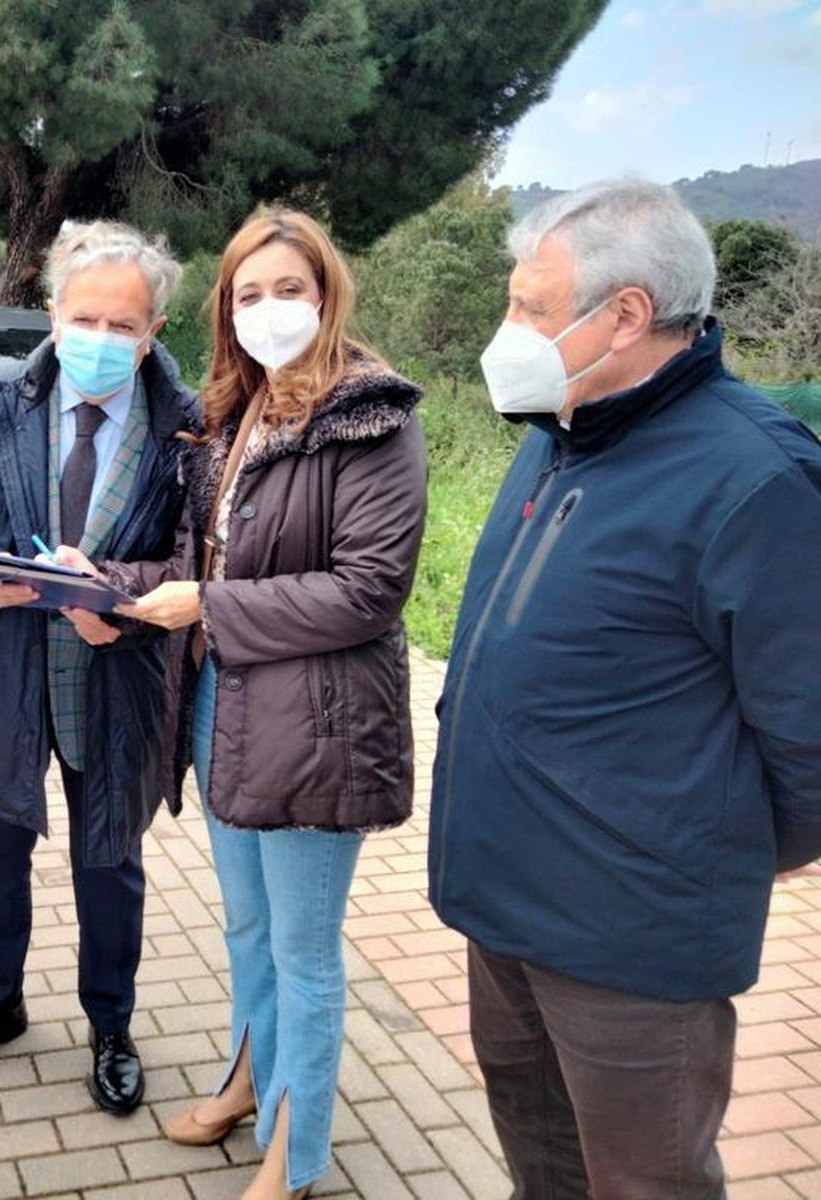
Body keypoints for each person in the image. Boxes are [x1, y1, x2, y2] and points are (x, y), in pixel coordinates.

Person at [428, 179, 821, 1199]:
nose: (506, 330)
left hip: (632, 946)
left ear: (628, 315)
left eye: (528, 308)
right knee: (541, 1168)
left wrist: (702, 852)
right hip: (503, 906)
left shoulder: (754, 480)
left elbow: (811, 740)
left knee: (646, 1184)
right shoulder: (556, 431)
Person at [80, 208, 427, 1199]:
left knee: (302, 951)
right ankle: (246, 1080)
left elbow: (368, 590)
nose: (269, 309)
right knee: (244, 929)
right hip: (223, 709)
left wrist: (210, 605)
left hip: (317, 728)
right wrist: (99, 580)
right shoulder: (236, 415)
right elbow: (205, 564)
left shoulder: (371, 418)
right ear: (227, 310)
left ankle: (296, 1153)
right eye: (248, 293)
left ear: (327, 298)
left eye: (291, 289)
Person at [0, 221, 196, 1113]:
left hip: (114, 683)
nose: (101, 339)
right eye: (84, 317)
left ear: (152, 333)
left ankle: (111, 1023)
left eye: (124, 325)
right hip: (2, 671)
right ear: (53, 313)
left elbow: (201, 562)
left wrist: (130, 614)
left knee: (110, 862)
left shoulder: (188, 429)